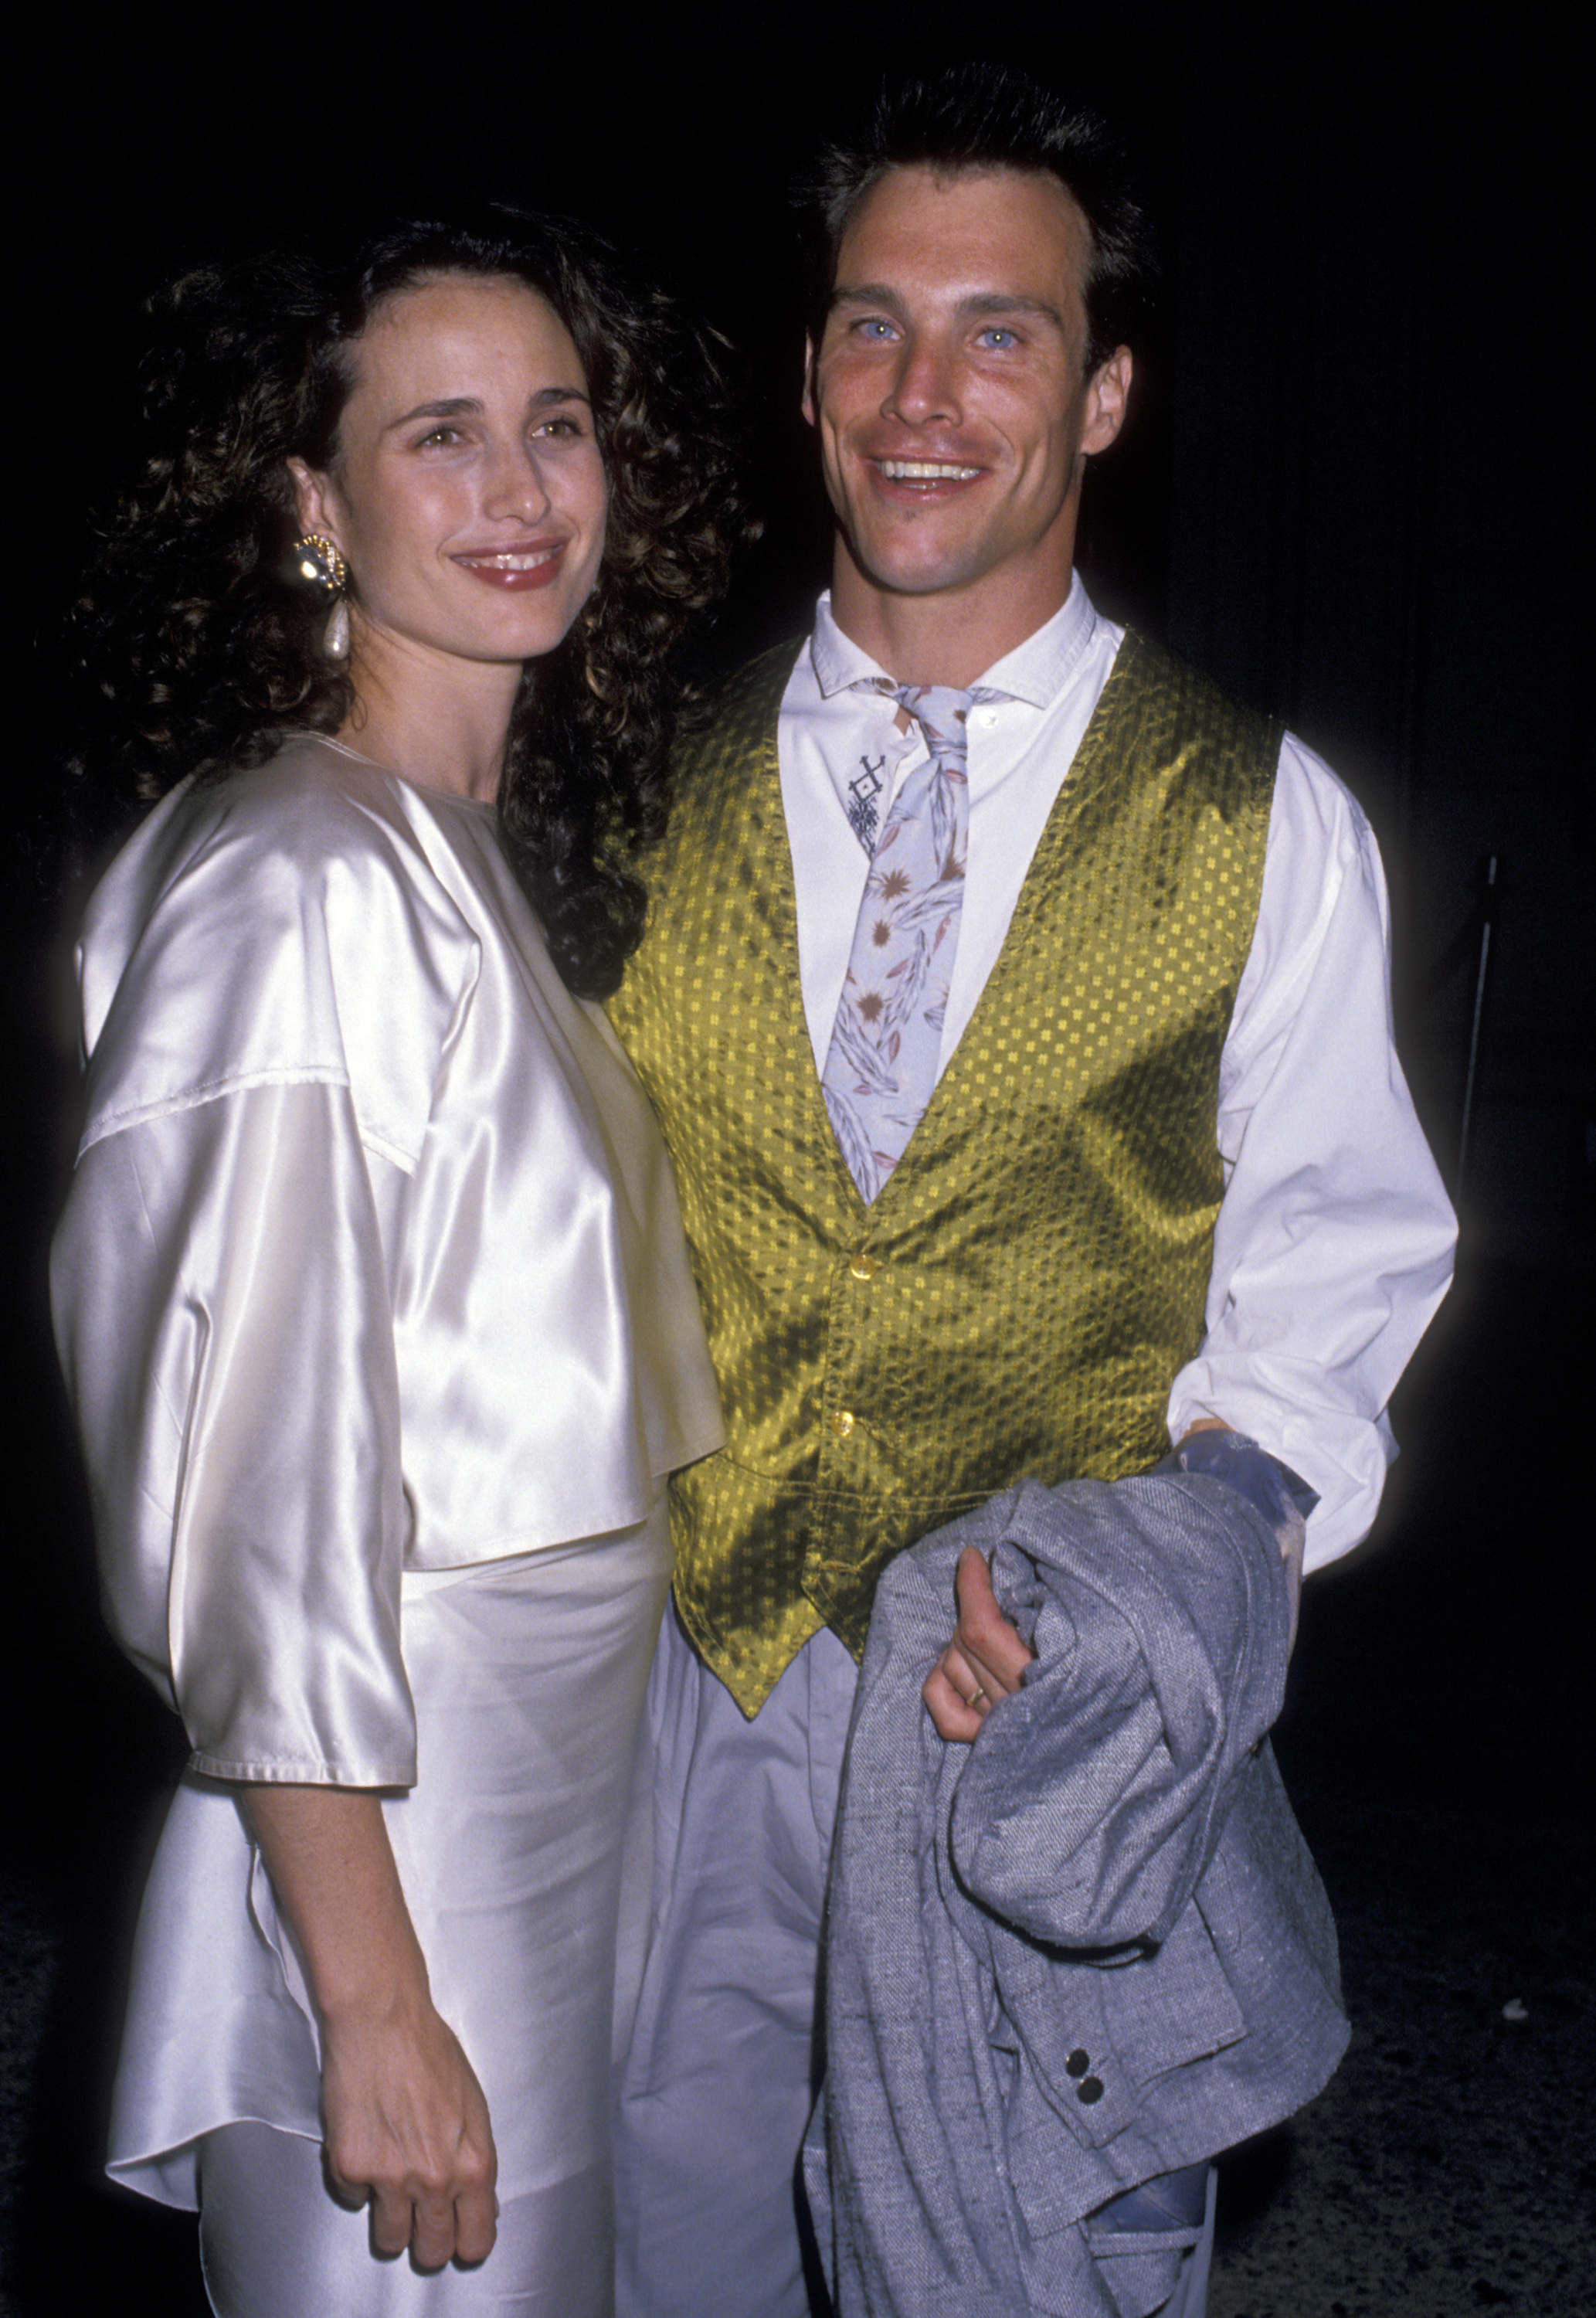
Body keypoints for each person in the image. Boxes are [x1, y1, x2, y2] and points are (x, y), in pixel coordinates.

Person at [606, 64, 1458, 2317]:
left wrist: (1161, 1571)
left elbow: (1330, 1284)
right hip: (689, 1691)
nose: (922, 394)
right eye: (873, 325)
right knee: (654, 2260)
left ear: (1099, 396)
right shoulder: (628, 797)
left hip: (1032, 1724)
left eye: (1000, 332)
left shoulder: (1254, 821)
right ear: (807, 373)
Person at [50, 209, 742, 2317]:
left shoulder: (423, 839)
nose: (522, 492)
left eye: (557, 425)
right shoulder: (305, 877)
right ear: (309, 502)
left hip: (521, 1800)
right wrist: (367, 1998)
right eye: (440, 435)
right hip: (407, 1817)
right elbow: (257, 1492)